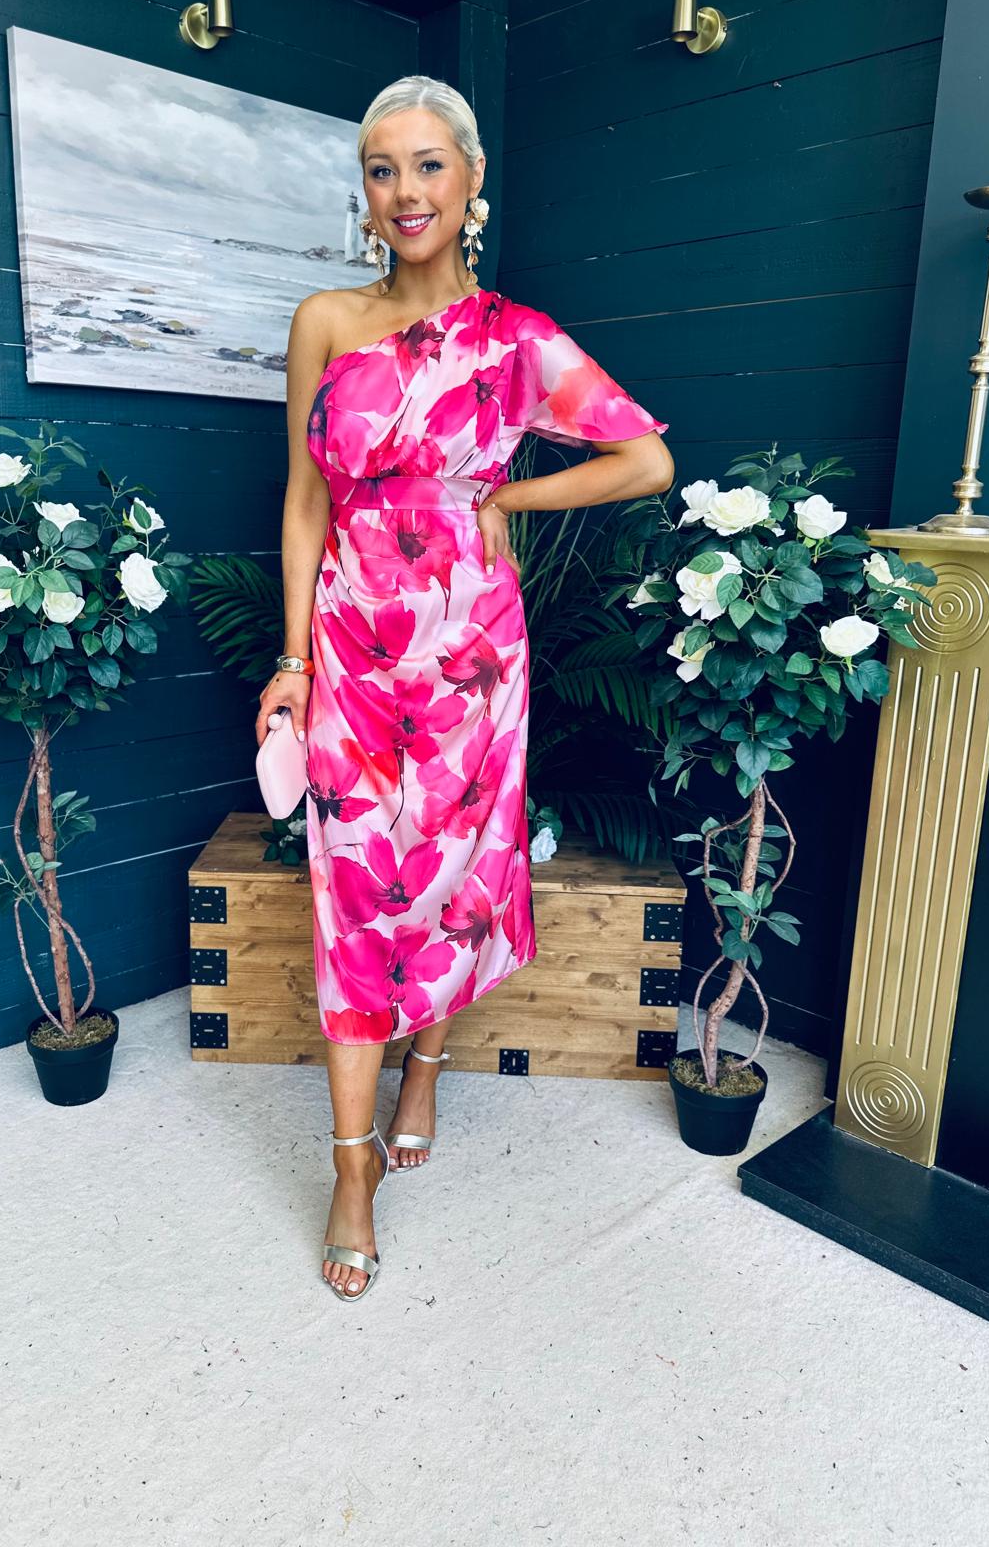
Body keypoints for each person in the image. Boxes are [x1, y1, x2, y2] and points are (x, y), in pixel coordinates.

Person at [255, 75, 674, 1300]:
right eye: (382, 169)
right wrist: (292, 660)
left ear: (473, 180)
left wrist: (507, 496)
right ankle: (350, 1165)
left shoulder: (518, 339)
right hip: (350, 647)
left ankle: (425, 1070)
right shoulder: (326, 321)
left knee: (448, 878)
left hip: (472, 657)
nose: (406, 191)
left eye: (429, 165)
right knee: (352, 893)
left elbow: (644, 459)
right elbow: (305, 501)